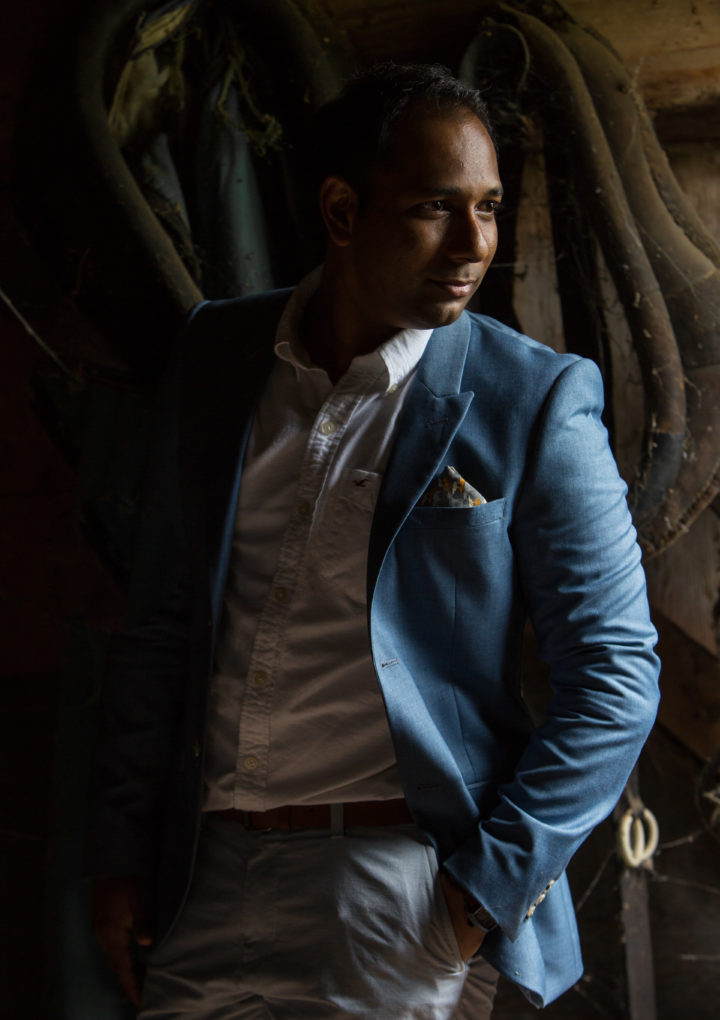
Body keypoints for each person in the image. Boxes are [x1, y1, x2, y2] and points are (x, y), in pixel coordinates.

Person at [88, 63, 660, 1019]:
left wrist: (477, 899)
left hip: (397, 891)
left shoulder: (533, 398)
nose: (475, 245)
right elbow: (161, 625)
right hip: (198, 879)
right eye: (437, 208)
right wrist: (121, 852)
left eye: (488, 207)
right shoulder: (218, 356)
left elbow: (616, 676)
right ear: (343, 211)